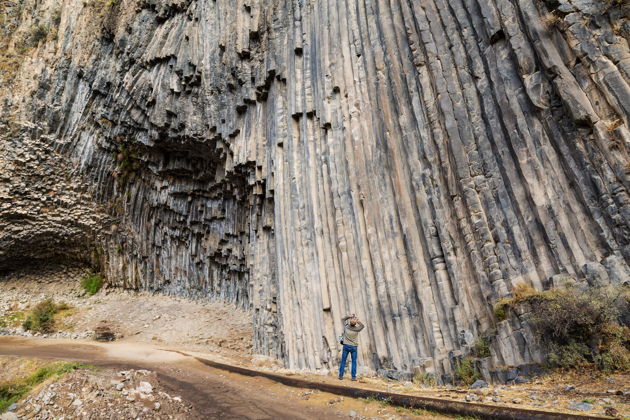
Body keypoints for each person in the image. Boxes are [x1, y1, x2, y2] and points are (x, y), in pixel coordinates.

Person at [338, 313, 364, 381]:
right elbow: (362, 326)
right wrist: (357, 320)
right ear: (355, 324)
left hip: (346, 346)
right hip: (354, 347)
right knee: (354, 362)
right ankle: (353, 377)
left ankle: (341, 376)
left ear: (349, 322)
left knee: (343, 361)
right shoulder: (357, 329)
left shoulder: (346, 327)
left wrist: (349, 316)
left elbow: (342, 320)